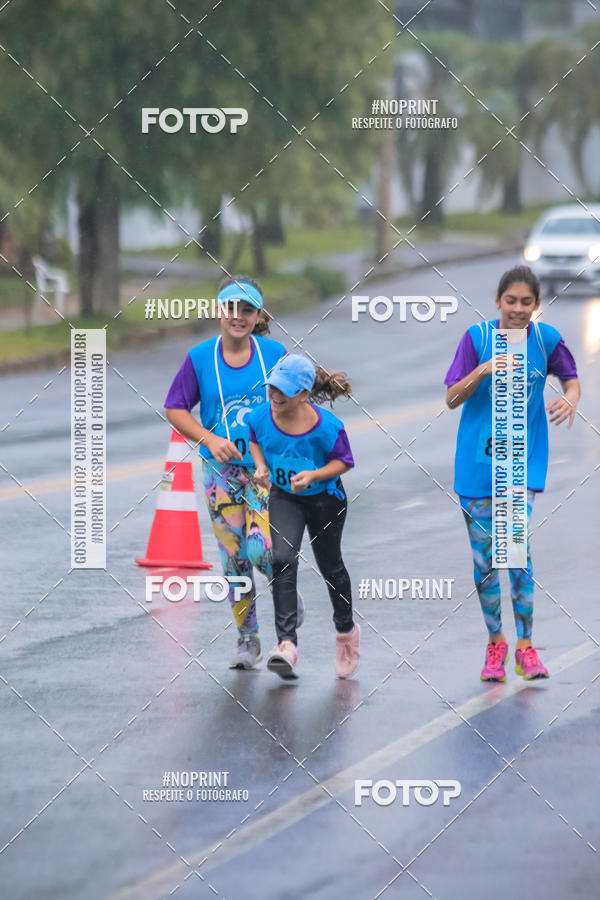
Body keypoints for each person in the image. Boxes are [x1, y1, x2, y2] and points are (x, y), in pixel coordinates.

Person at [444, 265, 580, 682]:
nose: (518, 309)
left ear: (536, 305)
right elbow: (452, 397)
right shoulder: (477, 339)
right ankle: (495, 644)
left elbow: (571, 378)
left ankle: (525, 647)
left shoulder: (546, 339)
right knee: (485, 562)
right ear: (498, 301)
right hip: (476, 466)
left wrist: (570, 399)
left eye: (526, 302)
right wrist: (483, 369)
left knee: (515, 553)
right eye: (510, 301)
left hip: (520, 465)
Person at [164, 275, 304, 670]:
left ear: (259, 315)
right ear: (218, 311)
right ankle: (248, 639)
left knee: (261, 550)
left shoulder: (273, 354)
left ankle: (287, 600)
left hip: (265, 472)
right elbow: (175, 408)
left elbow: (294, 405)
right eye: (231, 308)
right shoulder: (199, 359)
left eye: (247, 310)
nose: (238, 317)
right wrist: (209, 439)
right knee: (233, 557)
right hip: (219, 473)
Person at [247, 354, 359, 680]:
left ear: (304, 395)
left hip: (326, 500)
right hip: (285, 497)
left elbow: (344, 462)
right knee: (281, 558)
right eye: (272, 387)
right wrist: (261, 466)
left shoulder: (327, 427)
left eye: (284, 390)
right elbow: (255, 438)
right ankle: (286, 645)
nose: (275, 395)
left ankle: (346, 633)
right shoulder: (261, 416)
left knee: (330, 567)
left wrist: (314, 475)